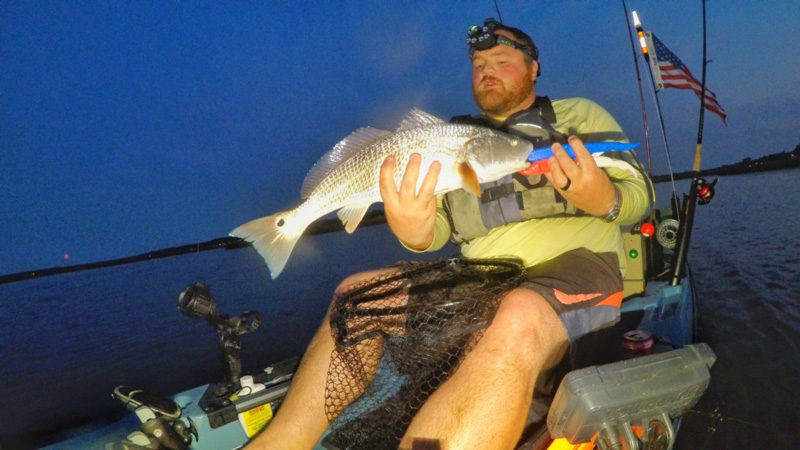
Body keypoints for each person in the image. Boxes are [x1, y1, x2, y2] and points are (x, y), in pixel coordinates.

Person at [247, 19, 652, 450]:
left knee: (516, 314)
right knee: (357, 296)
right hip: (481, 278)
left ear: (534, 69)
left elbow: (639, 196)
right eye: (478, 64)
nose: (486, 71)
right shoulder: (446, 138)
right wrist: (411, 226)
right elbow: (432, 234)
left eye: (501, 60)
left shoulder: (579, 116)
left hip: (579, 267)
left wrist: (602, 197)